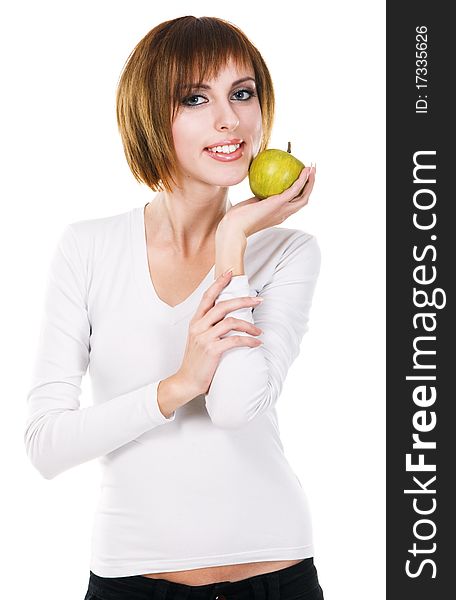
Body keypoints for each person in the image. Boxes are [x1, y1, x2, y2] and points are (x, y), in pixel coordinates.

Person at [24, 15, 324, 600]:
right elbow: (46, 444)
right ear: (149, 116)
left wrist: (234, 236)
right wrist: (178, 385)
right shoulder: (88, 248)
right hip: (132, 578)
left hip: (275, 574)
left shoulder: (289, 252)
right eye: (195, 98)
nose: (230, 120)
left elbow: (237, 407)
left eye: (242, 93)